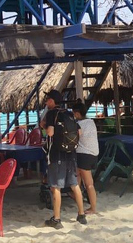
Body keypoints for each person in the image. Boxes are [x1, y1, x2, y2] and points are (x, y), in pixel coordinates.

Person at [43, 90, 85, 229]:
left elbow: (50, 132)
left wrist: (44, 126)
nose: (46, 101)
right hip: (71, 155)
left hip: (57, 155)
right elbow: (79, 132)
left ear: (53, 101)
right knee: (74, 185)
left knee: (56, 187)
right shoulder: (69, 113)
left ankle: (56, 219)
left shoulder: (51, 114)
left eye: (48, 99)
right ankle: (81, 215)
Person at [72, 101, 98, 214]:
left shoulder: (79, 125)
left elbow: (74, 138)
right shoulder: (91, 122)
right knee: (77, 176)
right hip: (93, 154)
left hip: (84, 155)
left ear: (77, 114)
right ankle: (77, 197)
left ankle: (93, 208)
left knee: (89, 184)